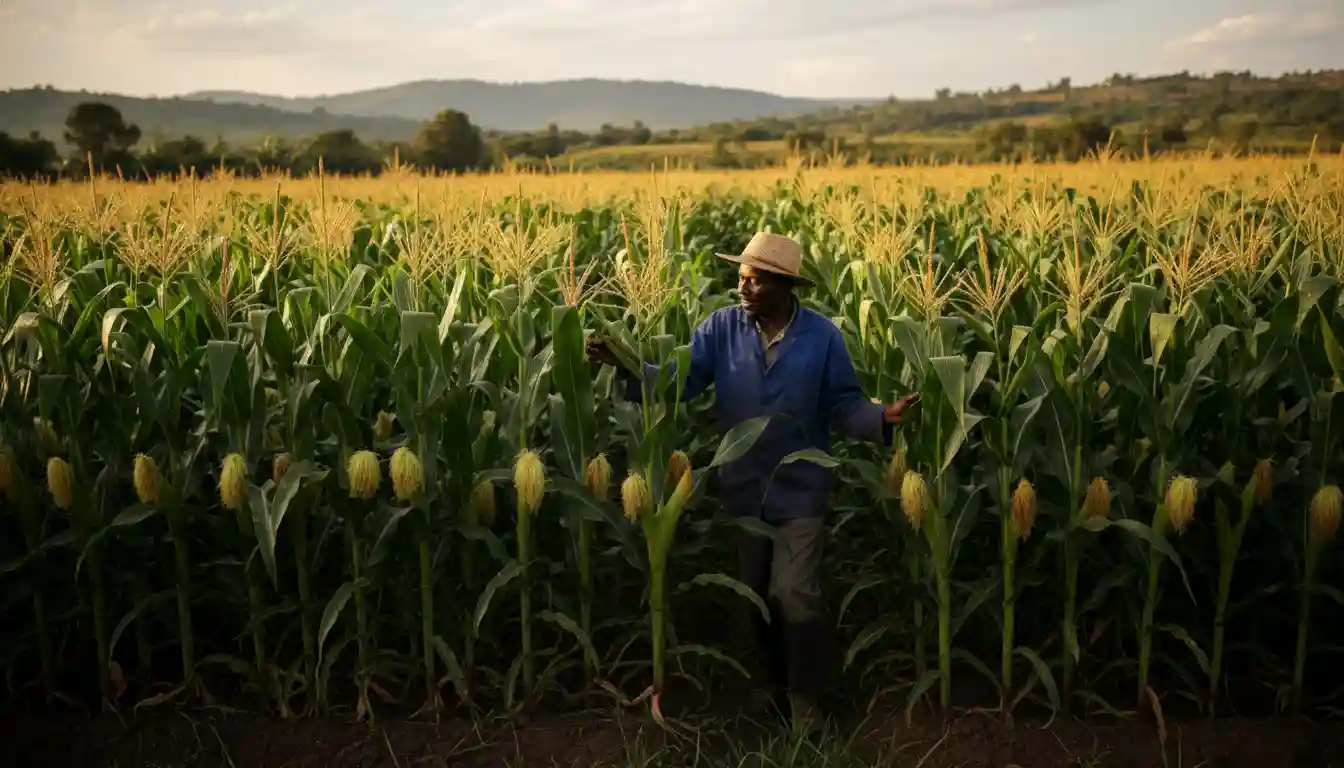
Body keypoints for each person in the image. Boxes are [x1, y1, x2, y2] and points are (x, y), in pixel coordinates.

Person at [586, 231, 918, 734]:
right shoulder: (720, 329)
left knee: (794, 592)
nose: (741, 289)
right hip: (742, 486)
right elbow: (680, 382)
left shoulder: (823, 337)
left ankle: (806, 705)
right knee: (755, 594)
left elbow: (843, 406)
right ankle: (771, 691)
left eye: (754, 281)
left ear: (784, 286)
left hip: (801, 489)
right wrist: (627, 367)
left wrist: (881, 418)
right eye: (740, 279)